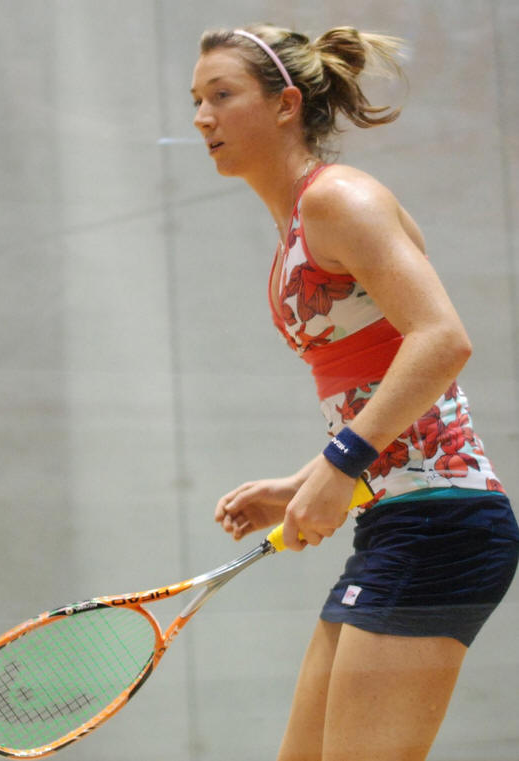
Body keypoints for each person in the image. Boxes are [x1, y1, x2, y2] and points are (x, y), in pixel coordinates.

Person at [190, 23, 519, 761]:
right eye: (196, 101)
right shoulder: (296, 227)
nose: (202, 118)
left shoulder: (337, 199)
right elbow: (385, 387)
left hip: (442, 522)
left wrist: (340, 466)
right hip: (398, 519)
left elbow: (441, 339)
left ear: (285, 105)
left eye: (222, 95)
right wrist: (308, 478)